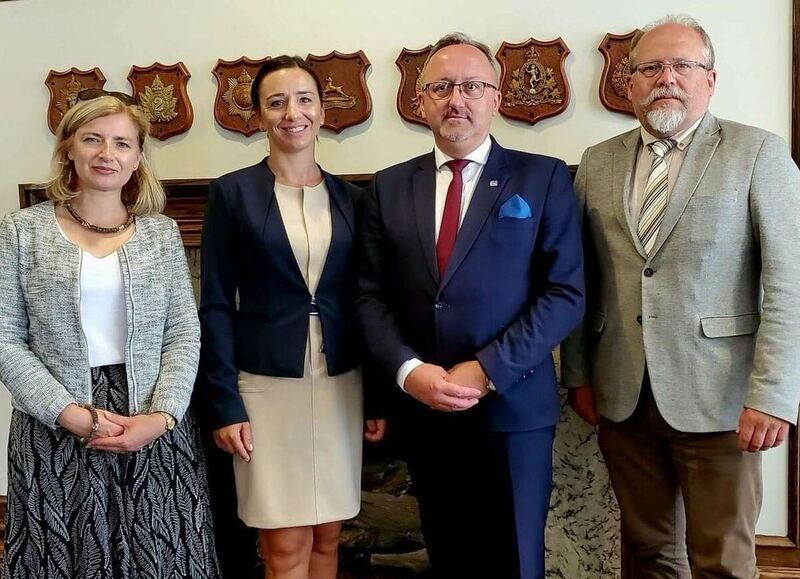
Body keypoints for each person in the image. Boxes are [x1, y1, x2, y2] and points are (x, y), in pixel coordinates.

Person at [561, 14, 800, 578]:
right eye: (649, 67)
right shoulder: (599, 160)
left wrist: (772, 394)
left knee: (721, 559)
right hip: (621, 394)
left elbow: (789, 282)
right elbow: (581, 275)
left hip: (722, 400)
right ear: (630, 82)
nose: (665, 77)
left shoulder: (759, 153)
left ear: (709, 80)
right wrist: (578, 374)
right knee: (646, 554)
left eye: (682, 66)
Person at [356, 33, 584, 579]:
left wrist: (486, 369)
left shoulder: (544, 177)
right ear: (420, 101)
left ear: (496, 97)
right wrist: (409, 373)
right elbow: (368, 296)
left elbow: (565, 293)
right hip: (425, 406)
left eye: (472, 86)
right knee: (448, 552)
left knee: (515, 558)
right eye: (441, 87)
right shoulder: (387, 187)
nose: (456, 99)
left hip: (512, 408)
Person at [0, 92, 220, 578]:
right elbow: (5, 336)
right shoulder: (21, 231)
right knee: (66, 555)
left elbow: (183, 329)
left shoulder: (161, 234)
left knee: (162, 556)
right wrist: (69, 414)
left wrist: (163, 415)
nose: (107, 154)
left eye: (122, 143)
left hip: (151, 416)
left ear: (138, 157)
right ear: (68, 150)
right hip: (54, 424)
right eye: (93, 139)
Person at [196, 55, 386, 579]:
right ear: (258, 116)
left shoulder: (354, 199)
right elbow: (213, 303)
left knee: (329, 534)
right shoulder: (232, 193)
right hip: (263, 386)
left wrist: (377, 396)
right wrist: (224, 402)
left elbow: (369, 301)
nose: (291, 113)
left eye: (304, 100)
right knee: (283, 543)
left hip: (341, 383)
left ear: (323, 111)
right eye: (275, 102)